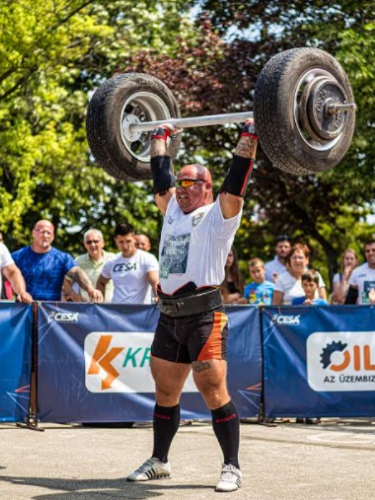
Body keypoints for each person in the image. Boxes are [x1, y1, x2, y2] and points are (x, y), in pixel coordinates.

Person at [125, 120, 257, 492]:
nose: (180, 189)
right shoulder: (171, 212)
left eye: (189, 183)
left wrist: (249, 135)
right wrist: (159, 138)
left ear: (207, 188)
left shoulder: (220, 215)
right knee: (165, 391)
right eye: (179, 183)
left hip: (204, 315)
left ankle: (232, 466)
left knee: (214, 389)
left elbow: (237, 181)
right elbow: (159, 177)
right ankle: (160, 461)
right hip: (169, 315)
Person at [12, 220, 101, 302]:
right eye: (42, 231)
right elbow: (6, 275)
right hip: (23, 309)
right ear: (33, 233)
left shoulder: (62, 257)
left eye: (49, 233)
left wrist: (90, 289)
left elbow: (76, 272)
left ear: (53, 236)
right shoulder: (18, 256)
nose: (45, 235)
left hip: (51, 311)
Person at [96, 223, 158, 304]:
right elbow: (101, 282)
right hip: (116, 313)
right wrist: (100, 304)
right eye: (121, 242)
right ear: (116, 241)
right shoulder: (112, 261)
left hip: (141, 312)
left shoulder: (147, 258)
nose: (125, 246)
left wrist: (157, 296)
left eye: (128, 241)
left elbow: (155, 282)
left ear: (134, 239)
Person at [68, 228, 116, 302]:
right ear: (85, 245)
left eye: (96, 241)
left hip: (110, 307)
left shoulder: (113, 259)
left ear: (103, 243)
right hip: (86, 308)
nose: (92, 244)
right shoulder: (78, 261)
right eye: (89, 242)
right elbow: (67, 281)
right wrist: (73, 295)